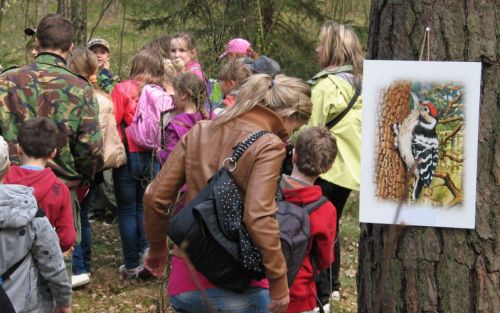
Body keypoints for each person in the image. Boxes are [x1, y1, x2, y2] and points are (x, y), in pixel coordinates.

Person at [143, 73, 312, 313]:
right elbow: (258, 217)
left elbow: (155, 196)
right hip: (236, 284)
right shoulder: (268, 145)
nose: (291, 135)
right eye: (297, 126)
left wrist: (158, 249)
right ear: (289, 116)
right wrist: (279, 282)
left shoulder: (200, 131)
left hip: (185, 279)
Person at [0, 14, 103, 254]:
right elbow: (91, 148)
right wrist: (83, 178)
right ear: (70, 48)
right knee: (56, 265)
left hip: (9, 188)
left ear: (37, 42)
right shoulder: (80, 88)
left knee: (9, 269)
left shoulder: (5, 81)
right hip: (60, 188)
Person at [302, 21, 363, 304]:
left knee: (316, 230)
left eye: (322, 44)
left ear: (335, 50)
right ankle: (334, 284)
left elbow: (309, 135)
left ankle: (321, 292)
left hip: (326, 170)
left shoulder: (326, 87)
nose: (316, 49)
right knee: (332, 226)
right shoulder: (362, 85)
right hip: (350, 173)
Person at [67, 47, 126, 288]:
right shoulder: (103, 96)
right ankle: (85, 266)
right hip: (95, 168)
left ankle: (78, 267)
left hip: (77, 166)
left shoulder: (77, 97)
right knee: (83, 217)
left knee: (73, 218)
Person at [111, 48, 168, 278]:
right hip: (154, 156)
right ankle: (149, 257)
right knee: (147, 209)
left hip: (128, 156)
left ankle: (131, 264)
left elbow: (113, 121)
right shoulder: (162, 91)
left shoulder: (123, 88)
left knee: (126, 210)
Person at [0, 135, 72, 313]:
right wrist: (64, 302)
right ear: (8, 166)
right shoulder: (32, 213)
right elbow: (53, 262)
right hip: (21, 301)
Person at [282, 127, 337, 313]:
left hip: (260, 289)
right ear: (328, 168)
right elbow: (324, 259)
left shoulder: (268, 193)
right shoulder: (326, 210)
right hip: (299, 295)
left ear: (294, 155)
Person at [4, 117, 75, 253]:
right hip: (40, 259)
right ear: (53, 153)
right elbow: (67, 238)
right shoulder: (60, 189)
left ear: (19, 149)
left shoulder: (4, 179)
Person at [157, 72, 215, 164]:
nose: (173, 95)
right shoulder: (212, 117)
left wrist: (160, 153)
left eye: (175, 91)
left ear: (183, 95)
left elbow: (170, 158)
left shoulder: (178, 124)